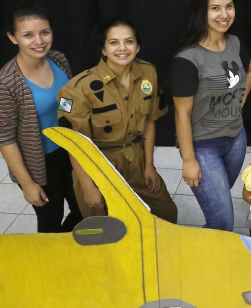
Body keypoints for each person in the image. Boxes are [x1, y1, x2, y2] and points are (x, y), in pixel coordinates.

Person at [57, 19, 178, 223]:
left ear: (137, 47)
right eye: (113, 42)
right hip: (98, 166)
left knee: (166, 215)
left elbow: (149, 122)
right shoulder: (77, 89)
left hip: (136, 160)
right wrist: (89, 188)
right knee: (107, 231)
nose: (122, 48)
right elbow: (75, 146)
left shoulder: (148, 73)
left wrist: (149, 166)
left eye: (129, 41)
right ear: (103, 49)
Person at [0, 5, 84, 233]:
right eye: (28, 35)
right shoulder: (3, 85)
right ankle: (52, 259)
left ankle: (68, 245)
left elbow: (67, 103)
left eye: (44, 32)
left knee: (85, 207)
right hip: (40, 162)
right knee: (51, 217)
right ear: (12, 37)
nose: (38, 41)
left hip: (71, 152)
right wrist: (28, 184)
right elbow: (6, 140)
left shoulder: (59, 60)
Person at [171, 0, 251, 231]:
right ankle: (204, 265)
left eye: (228, 6)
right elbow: (182, 114)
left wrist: (238, 104)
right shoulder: (188, 59)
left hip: (236, 139)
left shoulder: (235, 43)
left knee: (219, 209)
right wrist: (189, 160)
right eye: (215, 8)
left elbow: (249, 72)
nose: (224, 14)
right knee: (222, 221)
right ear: (202, 12)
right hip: (203, 146)